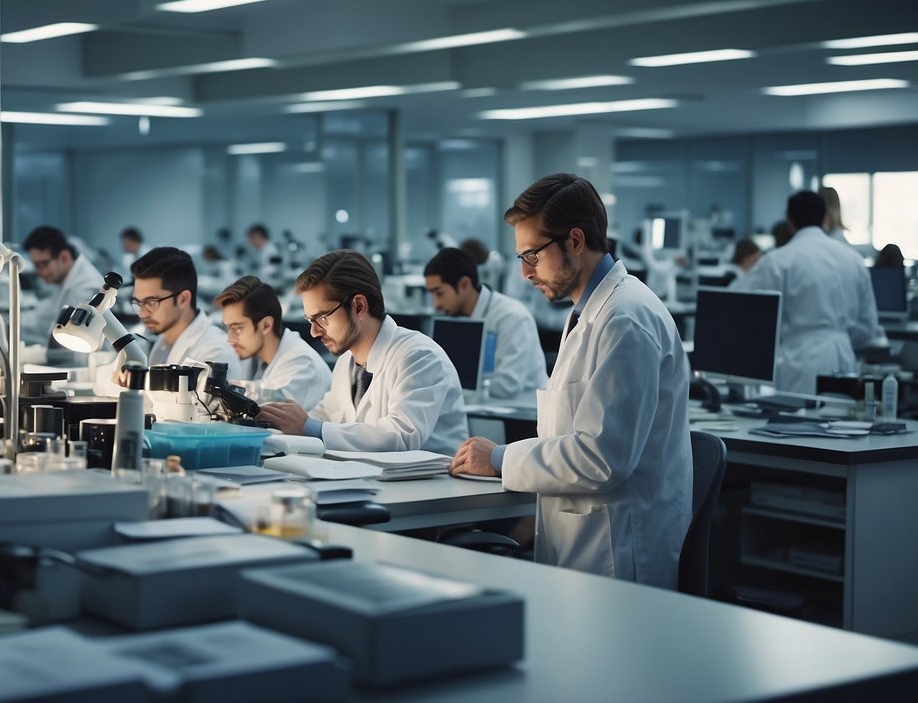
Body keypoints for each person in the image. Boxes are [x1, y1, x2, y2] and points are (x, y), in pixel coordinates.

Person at [449, 173, 691, 588]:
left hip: (619, 550)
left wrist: (500, 458)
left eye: (532, 255)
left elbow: (601, 458)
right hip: (584, 538)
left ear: (575, 241)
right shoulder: (586, 313)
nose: (525, 273)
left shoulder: (625, 319)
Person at [257, 250, 467, 455]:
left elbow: (401, 436)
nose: (314, 332)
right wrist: (283, 421)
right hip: (369, 475)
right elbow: (328, 415)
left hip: (431, 478)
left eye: (322, 318)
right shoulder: (347, 361)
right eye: (310, 320)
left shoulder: (419, 356)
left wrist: (308, 427)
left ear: (359, 306)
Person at [740, 191, 885, 394]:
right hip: (844, 354)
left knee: (799, 412)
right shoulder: (853, 259)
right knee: (841, 413)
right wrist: (838, 337)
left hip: (799, 359)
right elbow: (868, 326)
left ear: (790, 221)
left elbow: (753, 319)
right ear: (825, 218)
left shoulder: (777, 261)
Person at [97, 247, 242, 394]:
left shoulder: (215, 352)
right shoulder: (164, 339)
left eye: (151, 303)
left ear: (183, 299)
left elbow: (191, 407)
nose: (142, 314)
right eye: (137, 303)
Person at [423, 247, 547, 399]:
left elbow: (508, 386)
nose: (436, 304)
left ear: (464, 285)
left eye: (439, 293)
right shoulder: (452, 315)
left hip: (524, 408)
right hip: (478, 405)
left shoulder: (512, 317)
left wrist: (451, 382)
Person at [214, 275, 331, 411]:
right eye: (228, 328)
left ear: (266, 325)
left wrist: (222, 387)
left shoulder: (303, 363)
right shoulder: (258, 359)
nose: (230, 339)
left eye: (237, 328)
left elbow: (274, 402)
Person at [23, 226, 104, 346]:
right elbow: (47, 313)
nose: (39, 272)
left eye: (42, 264)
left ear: (64, 257)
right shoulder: (68, 280)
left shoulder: (84, 287)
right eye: (36, 266)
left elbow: (70, 336)